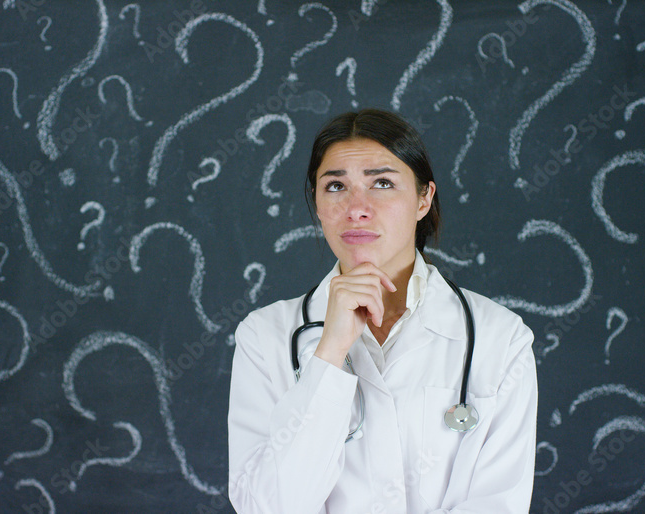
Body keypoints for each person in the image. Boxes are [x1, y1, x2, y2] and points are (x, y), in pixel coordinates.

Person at [227, 108, 537, 513]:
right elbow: (267, 507)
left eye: (383, 183)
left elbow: (497, 503)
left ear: (423, 199)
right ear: (317, 204)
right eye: (335, 186)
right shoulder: (264, 336)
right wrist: (329, 353)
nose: (357, 208)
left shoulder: (501, 338)